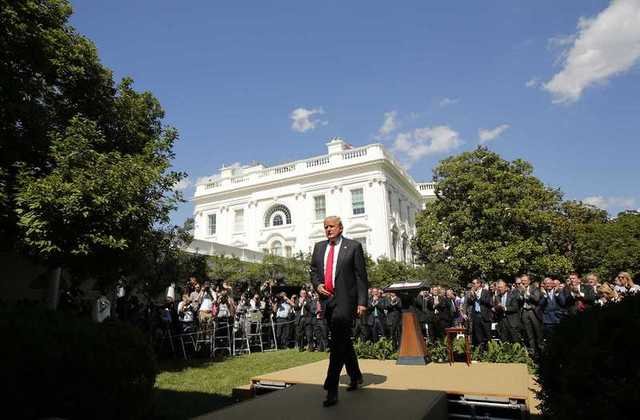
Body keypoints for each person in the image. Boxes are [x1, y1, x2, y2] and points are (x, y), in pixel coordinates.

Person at [310, 216, 368, 407]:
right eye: (325, 227)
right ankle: (356, 375)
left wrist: (362, 302)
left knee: (337, 344)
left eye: (331, 226)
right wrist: (317, 284)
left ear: (340, 228)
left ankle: (331, 386)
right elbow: (313, 270)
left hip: (346, 301)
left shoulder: (353, 247)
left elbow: (361, 276)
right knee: (343, 340)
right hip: (327, 301)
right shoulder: (319, 247)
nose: (328, 229)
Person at [519, 275, 543, 357]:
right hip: (525, 312)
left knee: (538, 333)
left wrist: (526, 292)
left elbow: (536, 299)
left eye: (525, 280)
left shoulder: (535, 288)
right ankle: (533, 353)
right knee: (529, 334)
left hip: (533, 312)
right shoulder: (519, 289)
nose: (523, 282)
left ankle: (541, 352)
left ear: (529, 281)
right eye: (522, 281)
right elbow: (518, 301)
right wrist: (521, 295)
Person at [467, 278, 492, 348]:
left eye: (474, 283)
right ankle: (481, 352)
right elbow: (469, 303)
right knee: (478, 336)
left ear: (479, 284)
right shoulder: (472, 292)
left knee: (487, 335)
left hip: (484, 316)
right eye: (472, 283)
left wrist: (478, 297)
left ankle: (490, 351)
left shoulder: (486, 292)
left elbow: (489, 302)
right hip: (476, 316)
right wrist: (471, 296)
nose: (473, 285)